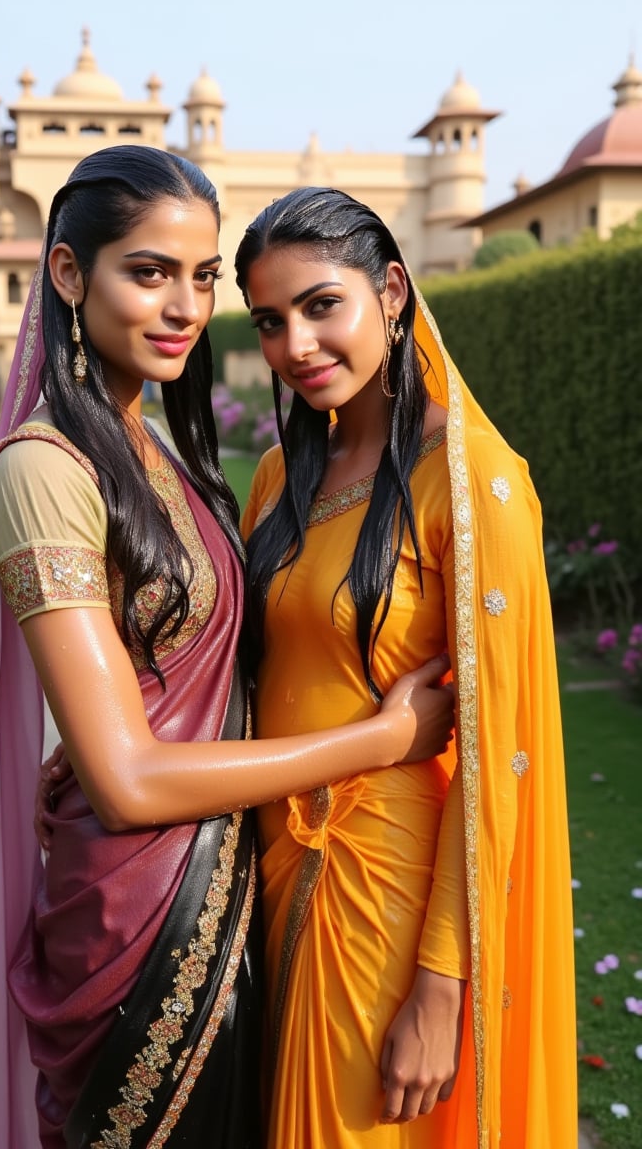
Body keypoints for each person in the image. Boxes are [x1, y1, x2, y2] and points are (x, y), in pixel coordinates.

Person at [0, 148, 455, 1149]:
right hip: (137, 926)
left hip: (230, 880)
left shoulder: (153, 453)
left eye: (203, 277)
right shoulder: (42, 473)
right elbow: (129, 781)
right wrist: (385, 740)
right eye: (148, 273)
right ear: (64, 274)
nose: (184, 306)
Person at [234, 187, 577, 1149]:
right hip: (267, 873)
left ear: (391, 291)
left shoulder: (471, 480)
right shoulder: (279, 476)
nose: (294, 345)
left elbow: (498, 758)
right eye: (270, 321)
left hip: (390, 896)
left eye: (319, 305)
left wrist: (438, 985)